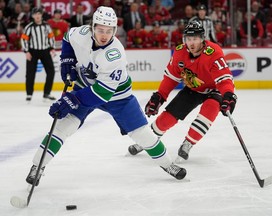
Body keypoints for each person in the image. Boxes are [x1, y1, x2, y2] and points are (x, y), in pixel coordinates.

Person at [25, 6, 187, 187]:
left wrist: (73, 99)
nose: (104, 35)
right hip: (85, 86)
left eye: (109, 31)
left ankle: (168, 164)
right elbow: (67, 38)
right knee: (62, 128)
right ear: (92, 27)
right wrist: (67, 60)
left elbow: (102, 93)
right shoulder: (81, 33)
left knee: (143, 134)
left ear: (115, 31)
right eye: (100, 30)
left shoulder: (115, 55)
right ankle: (37, 166)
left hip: (118, 97)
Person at [128, 21, 237, 163]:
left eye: (195, 39)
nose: (191, 43)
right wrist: (159, 96)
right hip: (193, 89)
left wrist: (228, 95)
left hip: (215, 90)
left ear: (202, 39)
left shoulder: (213, 52)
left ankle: (188, 143)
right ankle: (147, 141)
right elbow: (170, 78)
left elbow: (224, 79)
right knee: (169, 116)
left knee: (208, 111)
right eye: (188, 39)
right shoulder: (180, 52)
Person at [21, 7, 56, 102]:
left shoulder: (46, 26)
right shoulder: (29, 27)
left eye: (39, 14)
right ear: (32, 16)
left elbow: (51, 37)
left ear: (41, 15)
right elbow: (24, 39)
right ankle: (29, 94)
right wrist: (26, 51)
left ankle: (46, 93)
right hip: (33, 52)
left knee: (51, 72)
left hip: (45, 51)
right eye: (35, 14)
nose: (37, 16)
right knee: (30, 73)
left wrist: (52, 48)